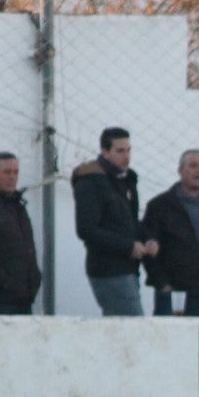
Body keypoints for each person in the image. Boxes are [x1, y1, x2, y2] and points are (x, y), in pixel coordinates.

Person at [73, 126, 154, 316]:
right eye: (120, 151)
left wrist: (149, 238)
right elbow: (86, 229)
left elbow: (130, 222)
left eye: (128, 150)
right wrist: (128, 247)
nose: (126, 156)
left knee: (121, 331)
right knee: (132, 330)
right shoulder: (91, 181)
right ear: (105, 152)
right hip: (109, 270)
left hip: (128, 268)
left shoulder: (126, 180)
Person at [141, 149, 199, 317]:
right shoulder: (160, 206)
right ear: (180, 170)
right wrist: (162, 284)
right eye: (193, 166)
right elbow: (149, 246)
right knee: (170, 341)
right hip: (173, 290)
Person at [0, 152, 41, 315]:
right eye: (7, 172)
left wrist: (34, 278)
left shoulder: (17, 205)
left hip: (23, 297)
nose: (12, 177)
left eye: (16, 172)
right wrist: (6, 283)